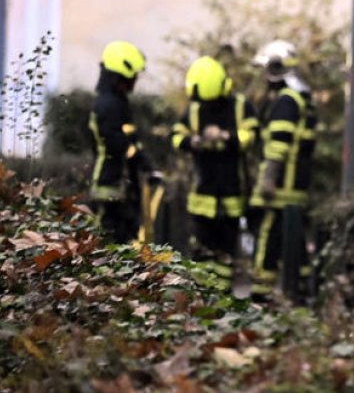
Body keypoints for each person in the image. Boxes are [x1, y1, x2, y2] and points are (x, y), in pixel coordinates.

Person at [172, 56, 258, 291]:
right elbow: (176, 136)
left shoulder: (241, 106)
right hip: (201, 194)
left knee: (226, 253)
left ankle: (221, 296)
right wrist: (193, 141)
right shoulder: (194, 108)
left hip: (232, 193)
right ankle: (201, 295)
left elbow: (251, 136)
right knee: (200, 252)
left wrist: (225, 136)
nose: (207, 107)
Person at [248, 39, 317, 301]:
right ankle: (300, 289)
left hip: (280, 187)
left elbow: (279, 145)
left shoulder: (286, 101)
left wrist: (268, 178)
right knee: (293, 239)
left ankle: (261, 295)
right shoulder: (302, 98)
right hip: (296, 186)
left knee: (268, 237)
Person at [88, 40, 152, 244]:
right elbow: (117, 143)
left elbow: (129, 139)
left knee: (124, 240)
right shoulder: (108, 105)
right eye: (132, 76)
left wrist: (142, 160)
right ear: (120, 76)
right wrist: (139, 158)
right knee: (105, 241)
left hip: (119, 186)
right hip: (108, 186)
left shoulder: (117, 102)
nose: (135, 81)